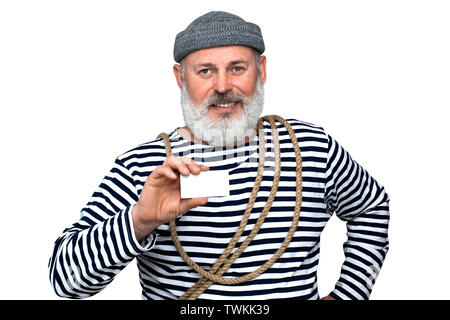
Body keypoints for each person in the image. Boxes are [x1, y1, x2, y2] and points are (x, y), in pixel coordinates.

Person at [48, 11, 390, 300]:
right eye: (205, 71)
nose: (223, 86)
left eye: (237, 68)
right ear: (180, 78)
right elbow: (65, 281)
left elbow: (372, 207)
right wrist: (140, 220)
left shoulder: (312, 149)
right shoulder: (144, 167)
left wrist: (348, 294)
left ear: (262, 71)